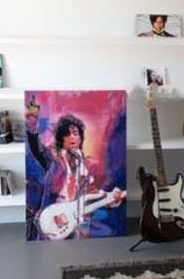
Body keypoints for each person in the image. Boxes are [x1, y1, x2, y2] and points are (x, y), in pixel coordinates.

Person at [26, 98, 124, 239]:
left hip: (79, 219)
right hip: (52, 219)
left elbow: (92, 194)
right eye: (67, 134)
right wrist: (32, 130)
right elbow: (37, 150)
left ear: (80, 138)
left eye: (75, 133)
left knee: (101, 233)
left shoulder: (89, 165)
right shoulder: (55, 160)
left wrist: (110, 198)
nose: (72, 137)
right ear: (61, 139)